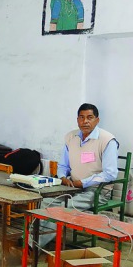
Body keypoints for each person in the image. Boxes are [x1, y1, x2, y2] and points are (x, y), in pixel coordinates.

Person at [36, 103, 119, 251]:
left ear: (97, 120)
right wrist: (63, 177)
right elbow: (63, 166)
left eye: (89, 117)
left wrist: (83, 183)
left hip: (96, 191)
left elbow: (110, 173)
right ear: (77, 120)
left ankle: (33, 246)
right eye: (81, 117)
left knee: (64, 208)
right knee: (45, 202)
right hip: (72, 187)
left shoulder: (107, 140)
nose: (85, 121)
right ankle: (34, 240)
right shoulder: (71, 137)